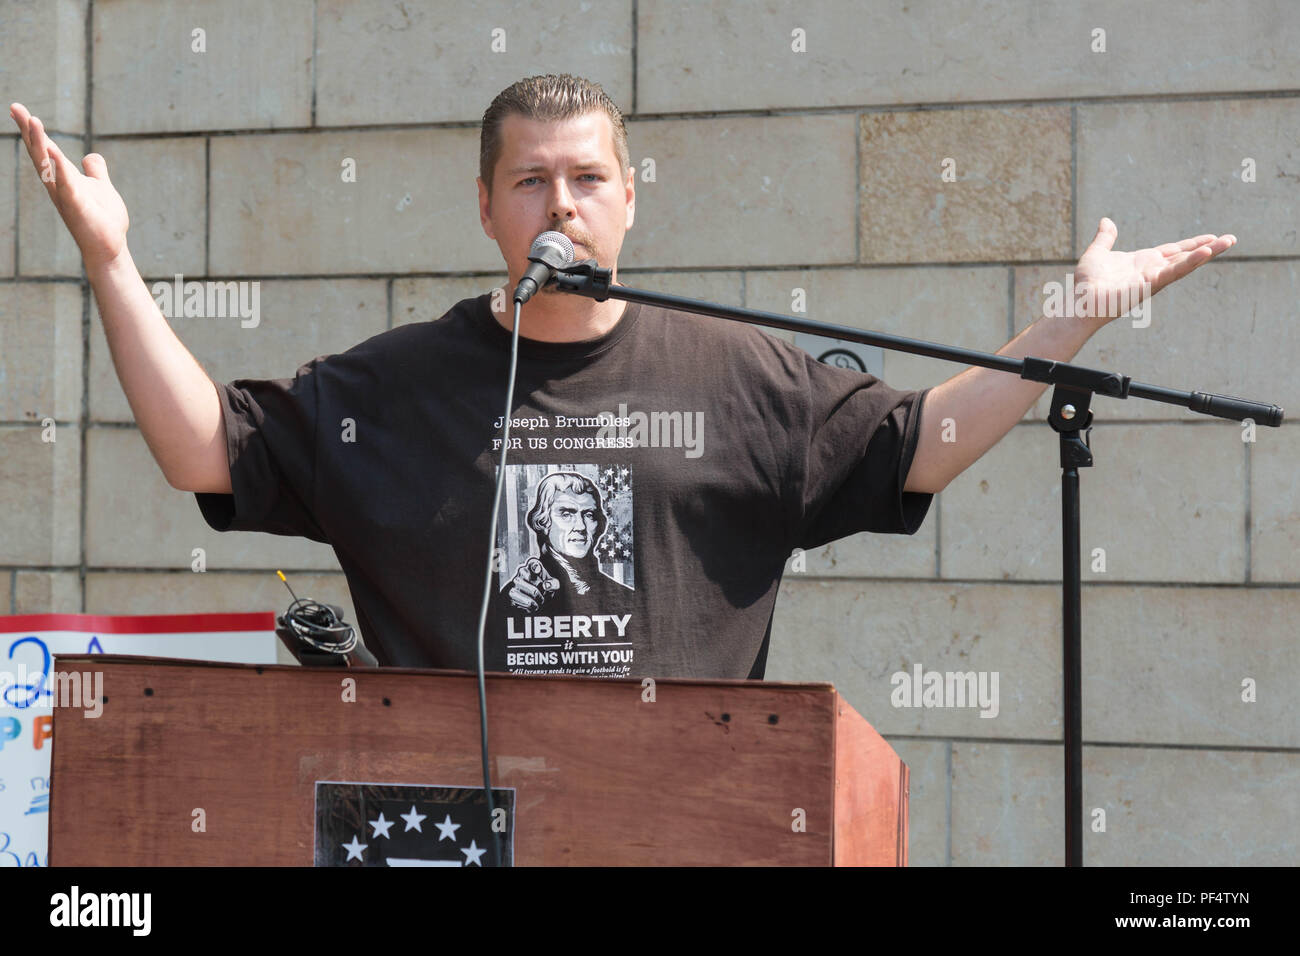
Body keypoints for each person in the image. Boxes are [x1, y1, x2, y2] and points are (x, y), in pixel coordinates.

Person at [8, 75, 1235, 680]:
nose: (562, 203)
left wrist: (1064, 320)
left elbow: (922, 440)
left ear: (630, 198)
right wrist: (113, 262)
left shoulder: (739, 369)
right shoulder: (390, 387)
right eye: (532, 179)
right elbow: (202, 450)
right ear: (487, 204)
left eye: (588, 178)